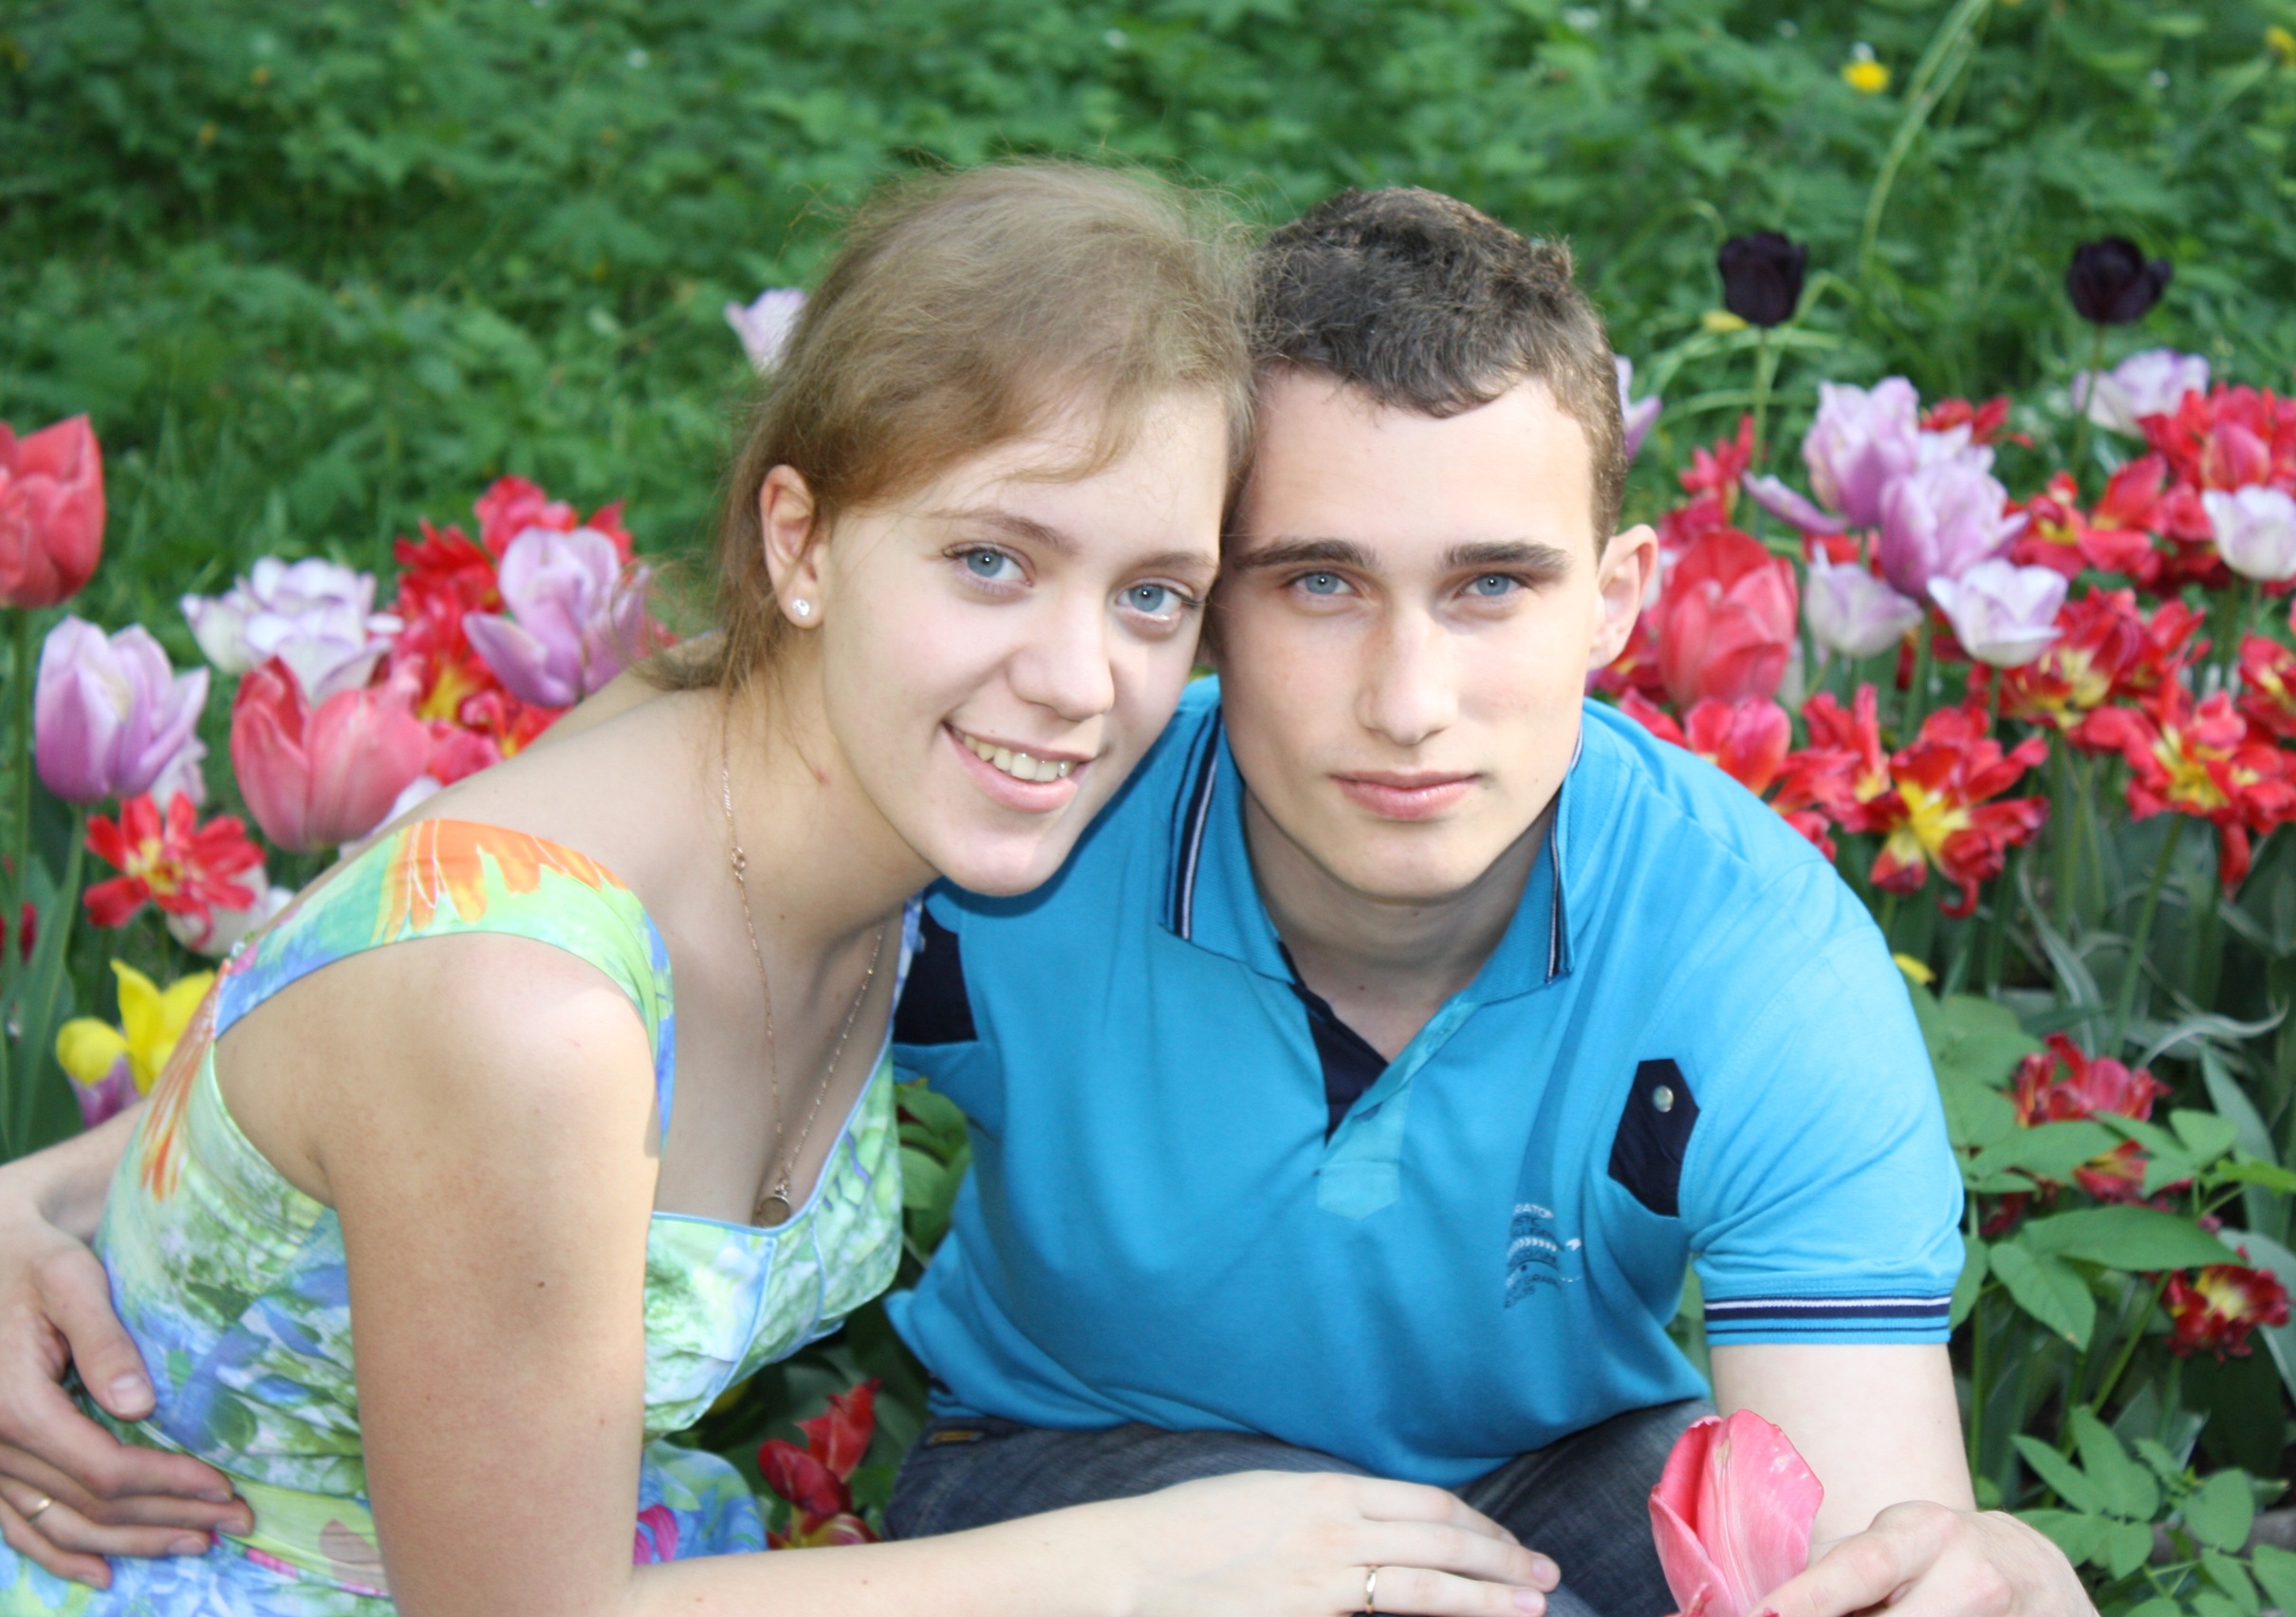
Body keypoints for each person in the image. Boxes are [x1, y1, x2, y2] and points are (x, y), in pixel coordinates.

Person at [0, 167, 1561, 1617]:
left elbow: (326, 1092)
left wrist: (34, 1193)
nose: (1081, 680)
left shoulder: (811, 767)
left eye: (1152, 594)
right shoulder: (536, 1006)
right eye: (992, 560)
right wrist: (1158, 1556)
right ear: (801, 542)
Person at [870, 190, 2088, 1617]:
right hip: (1077, 1464)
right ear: (1207, 605)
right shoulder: (1028, 842)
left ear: (1614, 601)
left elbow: (1868, 1540)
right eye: (1319, 583)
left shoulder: (1754, 961)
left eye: (1492, 584)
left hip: (1556, 1467)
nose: (1409, 704)